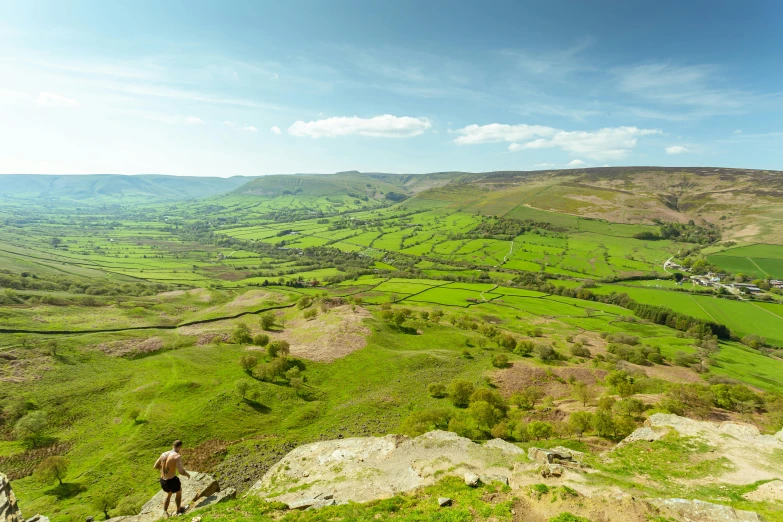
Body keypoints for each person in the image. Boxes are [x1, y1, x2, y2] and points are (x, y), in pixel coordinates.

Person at [153, 440, 191, 516]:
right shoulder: (177, 456)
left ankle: (165, 512)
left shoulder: (163, 454)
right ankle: (179, 510)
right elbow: (181, 471)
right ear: (179, 447)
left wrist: (164, 468)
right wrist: (187, 474)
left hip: (163, 480)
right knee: (179, 492)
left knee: (169, 493)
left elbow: (155, 466)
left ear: (172, 446)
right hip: (172, 480)